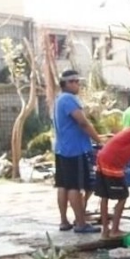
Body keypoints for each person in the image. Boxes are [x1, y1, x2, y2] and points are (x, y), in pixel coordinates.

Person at [54, 69, 103, 234]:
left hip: (62, 148)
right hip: (75, 149)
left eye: (78, 81)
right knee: (75, 186)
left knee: (63, 185)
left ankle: (64, 221)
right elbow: (83, 122)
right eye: (73, 81)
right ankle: (81, 223)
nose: (77, 84)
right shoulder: (68, 99)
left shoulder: (58, 99)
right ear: (65, 83)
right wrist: (99, 140)